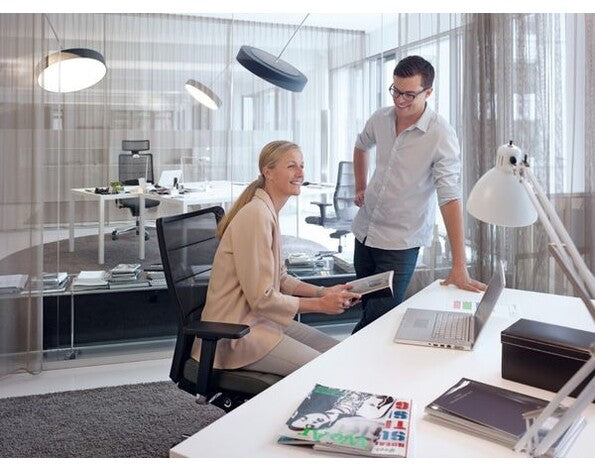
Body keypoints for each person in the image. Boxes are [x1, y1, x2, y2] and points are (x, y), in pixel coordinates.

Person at [191, 140, 360, 376]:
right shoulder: (256, 216)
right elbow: (262, 299)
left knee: (338, 353)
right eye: (291, 166)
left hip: (261, 321)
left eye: (302, 165)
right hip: (235, 334)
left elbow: (280, 278)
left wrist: (323, 292)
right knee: (328, 369)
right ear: (268, 172)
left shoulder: (267, 210)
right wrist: (320, 306)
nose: (300, 173)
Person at [351, 55, 486, 334]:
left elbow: (449, 197)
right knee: (366, 309)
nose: (400, 100)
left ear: (428, 92)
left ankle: (340, 360)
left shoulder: (440, 134)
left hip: (400, 243)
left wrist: (459, 265)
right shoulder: (381, 118)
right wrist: (360, 185)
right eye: (396, 91)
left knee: (376, 323)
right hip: (364, 232)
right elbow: (361, 145)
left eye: (409, 95)